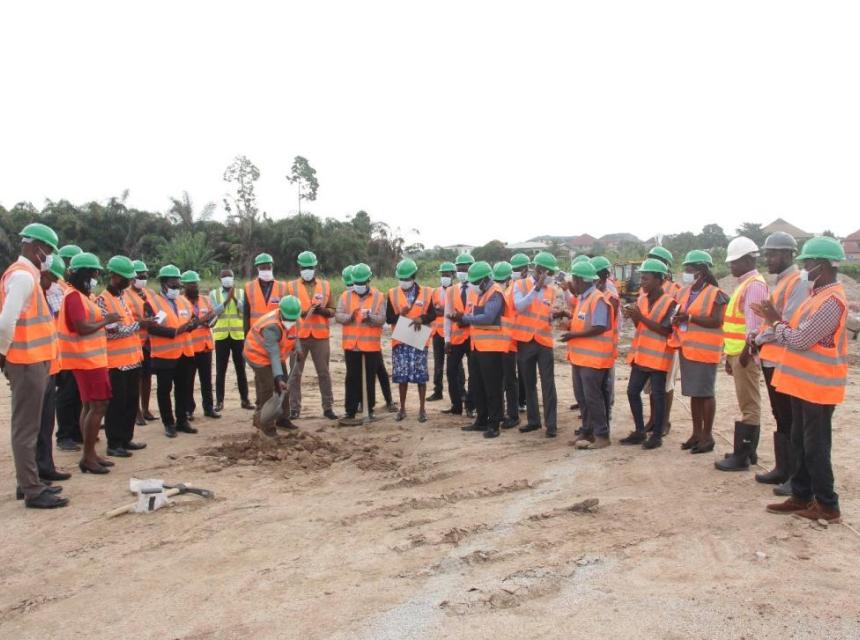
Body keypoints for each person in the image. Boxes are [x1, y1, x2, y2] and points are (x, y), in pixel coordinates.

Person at [760, 236, 848, 523]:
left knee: (816, 447)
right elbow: (795, 332)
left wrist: (775, 322)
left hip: (819, 388)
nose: (805, 269)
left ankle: (827, 505)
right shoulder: (815, 297)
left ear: (823, 265)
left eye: (808, 263)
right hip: (801, 386)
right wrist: (780, 324)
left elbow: (800, 339)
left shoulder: (832, 301)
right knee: (799, 442)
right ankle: (801, 495)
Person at [0, 223, 67, 508]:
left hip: (34, 361)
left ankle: (28, 482)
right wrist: (3, 353)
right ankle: (32, 490)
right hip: (26, 362)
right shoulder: (23, 276)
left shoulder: (28, 275)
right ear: (35, 247)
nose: (50, 256)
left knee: (31, 426)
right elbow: (6, 322)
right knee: (26, 429)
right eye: (49, 250)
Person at [751, 232, 808, 492]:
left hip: (784, 359)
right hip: (771, 359)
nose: (768, 259)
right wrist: (758, 334)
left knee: (790, 417)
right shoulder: (782, 281)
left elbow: (786, 322)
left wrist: (759, 337)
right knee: (781, 416)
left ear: (787, 254)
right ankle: (783, 469)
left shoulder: (797, 282)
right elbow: (772, 319)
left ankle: (795, 477)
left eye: (772, 254)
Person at [59, 252, 119, 474]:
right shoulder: (74, 297)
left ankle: (90, 453)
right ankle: (87, 457)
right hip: (87, 360)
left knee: (89, 405)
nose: (95, 278)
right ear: (83, 274)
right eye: (93, 274)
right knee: (99, 405)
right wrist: (106, 320)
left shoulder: (83, 296)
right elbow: (81, 327)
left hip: (90, 359)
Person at [716, 236, 768, 471]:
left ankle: (743, 455)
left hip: (745, 354)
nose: (731, 266)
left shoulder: (754, 286)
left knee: (749, 404)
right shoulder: (745, 284)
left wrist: (747, 353)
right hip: (737, 353)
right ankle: (748, 451)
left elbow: (754, 327)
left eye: (735, 262)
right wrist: (730, 355)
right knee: (746, 402)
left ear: (748, 260)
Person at [671, 250, 728, 453]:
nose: (686, 273)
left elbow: (716, 320)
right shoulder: (684, 292)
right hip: (688, 349)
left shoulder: (716, 294)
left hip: (705, 352)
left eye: (689, 269)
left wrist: (689, 318)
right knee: (694, 394)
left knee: (705, 394)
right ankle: (696, 433)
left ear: (701, 271)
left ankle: (707, 436)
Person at [96, 256, 151, 458]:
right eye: (126, 278)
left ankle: (126, 439)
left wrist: (139, 324)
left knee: (130, 402)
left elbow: (126, 325)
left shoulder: (122, 298)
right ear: (114, 276)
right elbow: (111, 332)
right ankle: (114, 443)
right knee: (117, 405)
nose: (129, 281)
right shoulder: (102, 300)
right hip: (116, 363)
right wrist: (140, 325)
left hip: (132, 359)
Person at [620, 259, 677, 450]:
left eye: (646, 278)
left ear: (659, 280)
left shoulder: (670, 303)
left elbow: (666, 330)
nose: (642, 282)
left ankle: (657, 435)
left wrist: (641, 318)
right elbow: (640, 326)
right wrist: (634, 318)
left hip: (659, 357)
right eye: (642, 278)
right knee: (632, 391)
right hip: (642, 355)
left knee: (658, 396)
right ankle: (639, 431)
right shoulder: (642, 299)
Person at [563, 261, 615, 449]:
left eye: (573, 280)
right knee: (582, 398)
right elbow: (583, 323)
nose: (572, 283)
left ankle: (602, 435)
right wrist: (570, 327)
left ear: (579, 280)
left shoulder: (597, 298)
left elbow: (599, 326)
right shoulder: (583, 298)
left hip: (594, 359)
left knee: (593, 398)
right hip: (580, 358)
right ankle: (587, 431)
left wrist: (573, 335)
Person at [452, 261, 507, 439]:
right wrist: (460, 318)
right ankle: (481, 420)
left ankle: (494, 423)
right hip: (476, 346)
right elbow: (472, 314)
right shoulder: (478, 293)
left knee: (492, 387)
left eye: (476, 282)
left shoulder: (495, 293)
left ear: (485, 279)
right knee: (477, 385)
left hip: (492, 348)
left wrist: (465, 318)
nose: (474, 285)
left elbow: (488, 317)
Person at [512, 251, 560, 437]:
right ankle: (533, 421)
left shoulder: (552, 290)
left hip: (544, 342)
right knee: (529, 383)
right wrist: (536, 289)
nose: (552, 276)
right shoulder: (520, 285)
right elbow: (519, 306)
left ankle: (551, 425)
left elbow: (547, 314)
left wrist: (555, 315)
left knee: (548, 384)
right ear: (540, 270)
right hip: (525, 342)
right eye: (550, 272)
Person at [147, 264, 198, 438]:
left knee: (183, 388)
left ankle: (182, 420)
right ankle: (168, 423)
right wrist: (175, 332)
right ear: (163, 284)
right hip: (164, 355)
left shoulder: (183, 301)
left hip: (185, 353)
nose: (176, 288)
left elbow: (192, 319)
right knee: (164, 390)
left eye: (178, 285)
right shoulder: (152, 303)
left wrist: (193, 325)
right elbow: (152, 328)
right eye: (173, 285)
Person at [286, 251, 337, 420]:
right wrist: (303, 312)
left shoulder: (326, 285)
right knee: (295, 374)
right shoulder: (290, 286)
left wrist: (323, 311)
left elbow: (332, 310)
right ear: (299, 268)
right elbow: (285, 310)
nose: (307, 270)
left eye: (310, 267)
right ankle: (294, 408)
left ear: (315, 267)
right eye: (304, 267)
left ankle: (328, 407)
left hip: (320, 336)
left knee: (324, 373)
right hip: (298, 336)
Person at [35, 254, 72, 483]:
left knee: (46, 423)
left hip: (49, 364)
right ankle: (31, 479)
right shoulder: (28, 292)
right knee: (32, 426)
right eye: (52, 278)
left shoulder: (46, 297)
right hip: (33, 366)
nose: (55, 283)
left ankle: (45, 467)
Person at [335, 263, 386, 423]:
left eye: (362, 282)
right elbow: (338, 316)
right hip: (352, 345)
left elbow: (382, 319)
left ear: (368, 280)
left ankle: (368, 410)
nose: (359, 285)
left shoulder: (379, 296)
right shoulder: (345, 296)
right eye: (356, 282)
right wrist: (350, 317)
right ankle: (350, 411)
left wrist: (370, 318)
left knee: (369, 379)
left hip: (371, 346)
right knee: (352, 378)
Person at [387, 259, 436, 422]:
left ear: (414, 277)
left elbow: (432, 314)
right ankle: (402, 409)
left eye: (406, 278)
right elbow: (389, 318)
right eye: (401, 278)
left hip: (419, 340)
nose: (403, 281)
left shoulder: (427, 292)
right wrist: (400, 314)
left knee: (421, 376)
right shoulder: (392, 293)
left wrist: (422, 319)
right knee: (402, 377)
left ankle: (422, 410)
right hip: (401, 341)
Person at [244, 296, 302, 436]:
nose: (290, 322)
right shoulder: (271, 326)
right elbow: (273, 354)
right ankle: (266, 424)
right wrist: (278, 378)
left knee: (285, 385)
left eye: (293, 319)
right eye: (287, 319)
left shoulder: (295, 318)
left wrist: (298, 348)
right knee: (268, 386)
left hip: (276, 354)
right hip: (257, 355)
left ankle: (283, 419)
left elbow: (294, 335)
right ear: (280, 312)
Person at [643, 246, 679, 435]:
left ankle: (664, 422)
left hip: (667, 345)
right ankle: (653, 420)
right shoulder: (645, 286)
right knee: (652, 386)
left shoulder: (674, 289)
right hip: (649, 346)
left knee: (666, 385)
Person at [54, 245, 85, 450]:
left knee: (77, 394)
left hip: (77, 351)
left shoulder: (71, 289)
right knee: (66, 394)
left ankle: (76, 431)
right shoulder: (57, 288)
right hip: (64, 351)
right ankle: (64, 435)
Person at [210, 267, 253, 412]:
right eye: (224, 276)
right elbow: (214, 311)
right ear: (220, 279)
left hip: (238, 336)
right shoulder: (214, 293)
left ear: (234, 278)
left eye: (229, 276)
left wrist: (234, 298)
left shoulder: (241, 293)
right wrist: (226, 301)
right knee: (220, 370)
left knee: (241, 369)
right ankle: (219, 401)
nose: (227, 279)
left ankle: (245, 400)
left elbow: (245, 310)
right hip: (221, 336)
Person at [181, 270, 219, 421]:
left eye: (195, 283)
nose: (194, 286)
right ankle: (188, 409)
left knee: (206, 380)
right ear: (184, 285)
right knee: (187, 381)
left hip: (205, 346)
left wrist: (211, 321)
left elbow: (213, 317)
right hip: (188, 347)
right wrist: (203, 320)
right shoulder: (180, 301)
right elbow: (186, 323)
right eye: (190, 284)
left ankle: (209, 408)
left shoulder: (205, 299)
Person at [443, 253, 476, 417]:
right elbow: (447, 316)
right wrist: (447, 339)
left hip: (472, 337)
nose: (462, 271)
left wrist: (465, 319)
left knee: (474, 373)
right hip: (456, 339)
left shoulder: (477, 289)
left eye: (465, 268)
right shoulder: (451, 290)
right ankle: (456, 405)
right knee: (451, 371)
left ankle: (471, 405)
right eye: (459, 268)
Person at [590, 256, 620, 423]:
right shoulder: (596, 293)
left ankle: (605, 417)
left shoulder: (610, 296)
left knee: (605, 385)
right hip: (596, 346)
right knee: (598, 386)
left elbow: (606, 322)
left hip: (605, 346)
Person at [128, 260, 157, 425]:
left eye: (145, 276)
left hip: (149, 342)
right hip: (134, 342)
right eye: (140, 276)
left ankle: (145, 409)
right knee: (135, 379)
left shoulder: (149, 293)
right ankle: (136, 411)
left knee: (147, 377)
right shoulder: (125, 295)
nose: (143, 279)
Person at [493, 261, 520, 429]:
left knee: (509, 380)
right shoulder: (504, 291)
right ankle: (502, 413)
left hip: (508, 343)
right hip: (500, 342)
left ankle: (513, 415)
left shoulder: (512, 292)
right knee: (501, 380)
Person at [428, 261, 457, 402]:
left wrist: (441, 310)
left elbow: (455, 311)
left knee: (455, 366)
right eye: (443, 275)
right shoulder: (435, 292)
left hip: (452, 333)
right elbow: (432, 311)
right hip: (437, 333)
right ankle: (437, 391)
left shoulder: (457, 291)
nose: (444, 277)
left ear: (453, 276)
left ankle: (460, 392)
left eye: (447, 275)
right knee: (438, 364)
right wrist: (444, 311)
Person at [243, 253, 287, 334]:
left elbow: (286, 312)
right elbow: (246, 314)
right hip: (256, 332)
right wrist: (246, 334)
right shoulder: (249, 287)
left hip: (276, 333)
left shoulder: (282, 287)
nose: (266, 270)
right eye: (263, 268)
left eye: (268, 267)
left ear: (272, 267)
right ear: (257, 269)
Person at [509, 253, 531, 412]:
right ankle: (518, 400)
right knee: (514, 371)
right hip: (511, 334)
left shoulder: (529, 285)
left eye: (517, 269)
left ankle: (523, 400)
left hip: (525, 334)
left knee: (524, 370)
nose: (515, 271)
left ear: (525, 269)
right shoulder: (511, 284)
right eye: (513, 269)